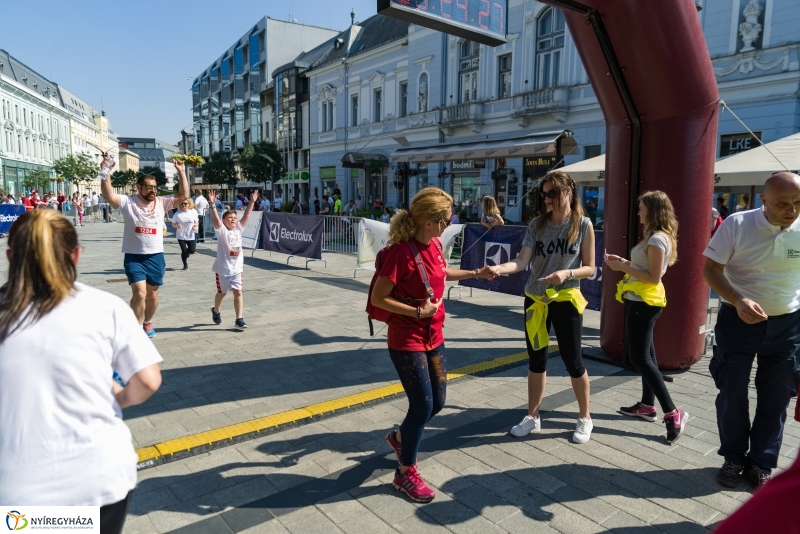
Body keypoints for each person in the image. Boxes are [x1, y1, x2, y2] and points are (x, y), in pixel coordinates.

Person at [0, 210, 163, 533]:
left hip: (19, 491)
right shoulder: (106, 307)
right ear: (75, 255)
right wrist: (117, 396)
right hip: (102, 476)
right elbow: (148, 380)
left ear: (10, 256)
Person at [371, 187, 497, 502]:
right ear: (430, 221)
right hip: (407, 339)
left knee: (438, 402)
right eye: (446, 219)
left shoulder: (436, 244)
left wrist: (475, 273)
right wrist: (416, 310)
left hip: (435, 336)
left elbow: (441, 272)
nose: (449, 222)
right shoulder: (401, 253)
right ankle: (404, 473)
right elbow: (378, 297)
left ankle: (400, 438)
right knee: (422, 406)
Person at [702, 172, 800, 489]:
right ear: (764, 201)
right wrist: (737, 298)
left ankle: (760, 462)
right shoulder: (738, 224)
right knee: (732, 392)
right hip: (737, 321)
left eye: (798, 203)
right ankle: (733, 457)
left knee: (776, 397)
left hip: (787, 325)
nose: (792, 210)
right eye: (783, 204)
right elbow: (710, 269)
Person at [491, 170, 596, 443]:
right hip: (536, 299)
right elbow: (521, 262)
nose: (546, 199)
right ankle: (533, 416)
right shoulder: (537, 225)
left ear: (567, 192)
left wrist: (567, 274)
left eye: (551, 193)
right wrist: (499, 269)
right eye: (544, 194)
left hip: (566, 300)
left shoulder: (583, 225)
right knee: (536, 361)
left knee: (573, 361)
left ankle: (585, 418)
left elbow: (590, 267)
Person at [605, 191, 688, 443]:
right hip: (641, 300)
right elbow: (646, 269)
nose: (638, 213)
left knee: (640, 358)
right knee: (648, 355)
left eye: (641, 209)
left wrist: (622, 267)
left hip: (643, 302)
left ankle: (672, 413)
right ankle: (647, 406)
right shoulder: (656, 237)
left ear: (653, 210)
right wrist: (624, 261)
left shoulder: (657, 239)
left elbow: (653, 277)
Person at [101, 156, 190, 338]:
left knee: (152, 296)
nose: (152, 190)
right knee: (140, 294)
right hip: (134, 256)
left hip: (156, 256)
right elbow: (109, 195)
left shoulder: (161, 202)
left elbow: (183, 196)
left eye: (155, 187)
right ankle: (136, 326)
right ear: (139, 187)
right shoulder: (128, 202)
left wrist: (181, 171)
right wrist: (105, 172)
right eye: (148, 187)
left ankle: (148, 322)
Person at [208, 189, 257, 330]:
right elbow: (216, 219)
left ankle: (239, 319)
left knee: (238, 292)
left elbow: (247, 215)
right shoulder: (221, 230)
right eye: (230, 218)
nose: (233, 219)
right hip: (223, 269)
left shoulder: (239, 229)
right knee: (222, 293)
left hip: (237, 269)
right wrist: (212, 206)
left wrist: (252, 202)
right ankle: (216, 310)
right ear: (224, 221)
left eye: (235, 217)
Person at [172, 198, 199, 270]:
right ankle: (185, 264)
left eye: (185, 203)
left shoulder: (193, 212)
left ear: (189, 204)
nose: (183, 205)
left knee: (192, 250)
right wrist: (177, 226)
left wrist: (195, 225)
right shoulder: (177, 214)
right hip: (181, 235)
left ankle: (186, 254)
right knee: (184, 250)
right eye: (182, 204)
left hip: (190, 234)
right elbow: (173, 224)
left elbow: (197, 222)